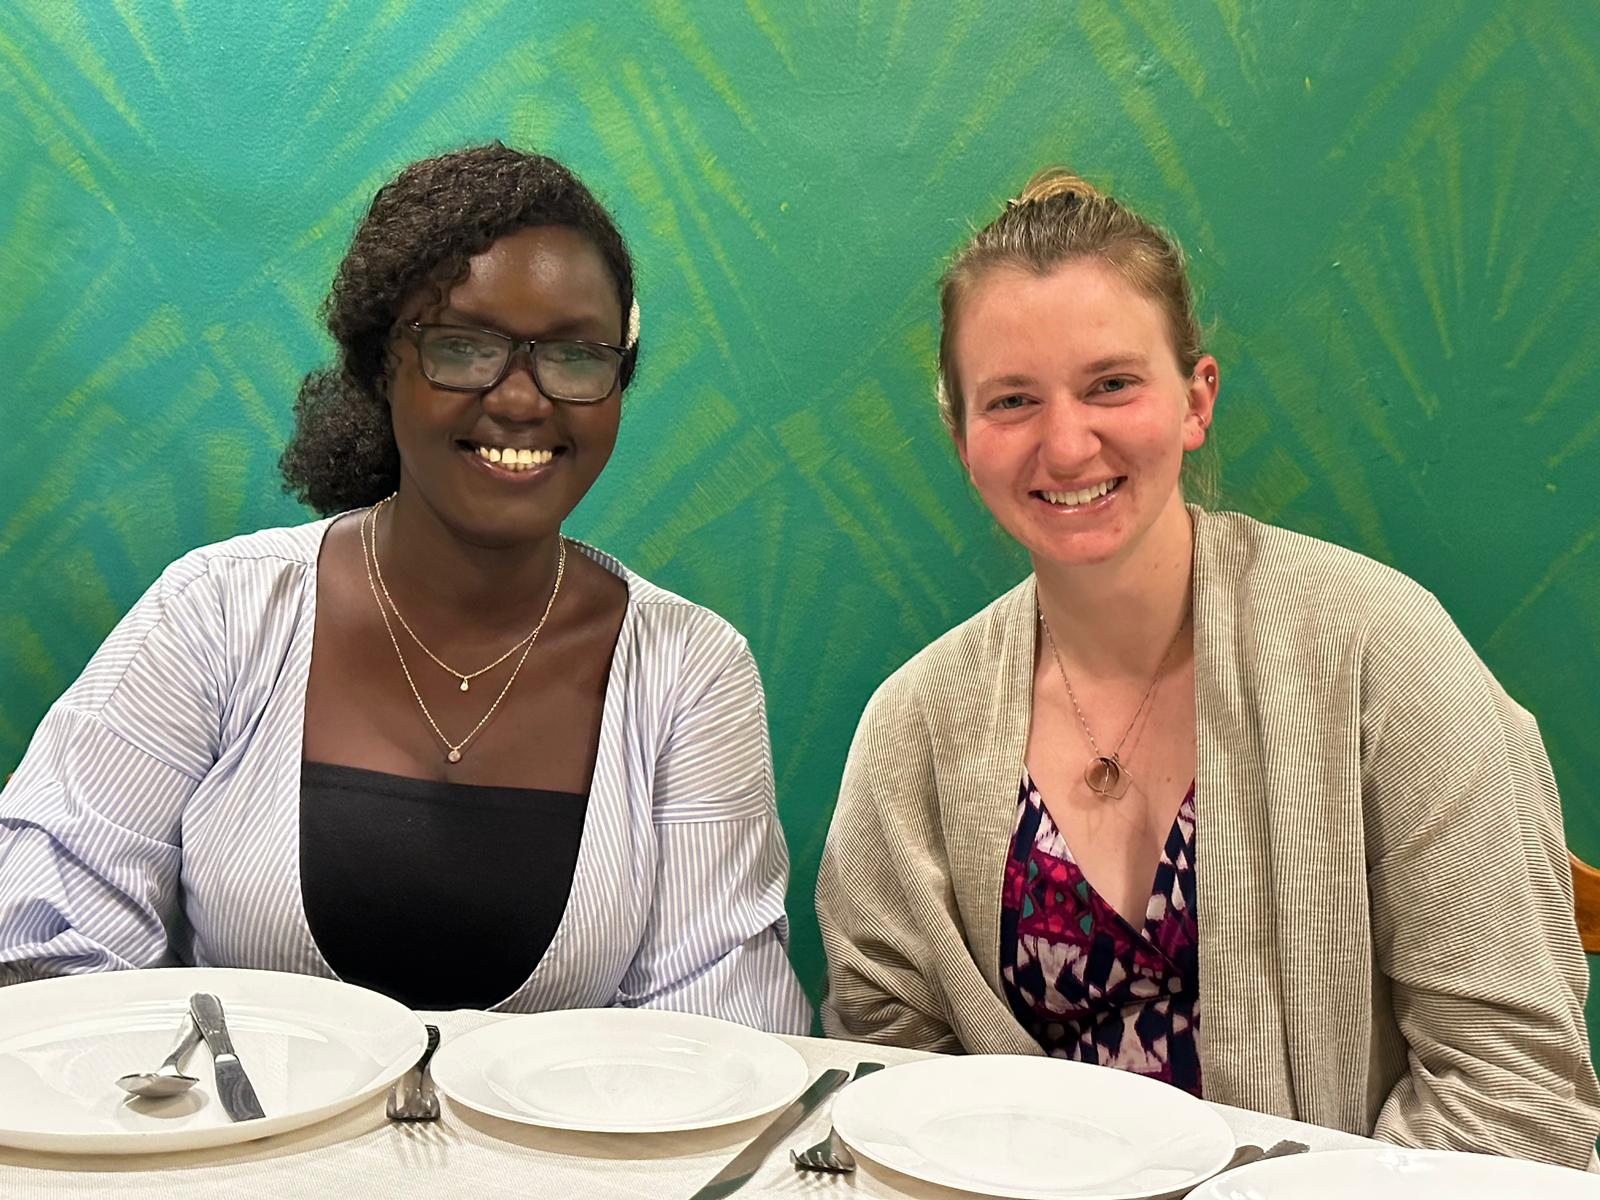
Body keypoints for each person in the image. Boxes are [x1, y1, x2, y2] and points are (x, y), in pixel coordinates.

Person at [815, 167, 1600, 1165]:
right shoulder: (911, 730)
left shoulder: (1379, 655)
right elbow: (890, 1083)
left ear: (1195, 401)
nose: (1066, 443)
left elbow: (1516, 1086)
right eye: (1011, 401)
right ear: (962, 440)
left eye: (1111, 384)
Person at [0, 143, 811, 1033]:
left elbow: (724, 1042)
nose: (522, 398)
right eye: (465, 347)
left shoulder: (690, 670)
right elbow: (47, 954)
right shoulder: (218, 614)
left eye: (575, 355)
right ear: (384, 365)